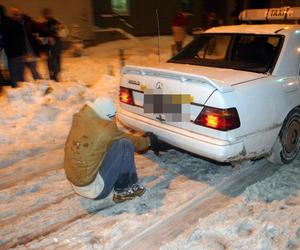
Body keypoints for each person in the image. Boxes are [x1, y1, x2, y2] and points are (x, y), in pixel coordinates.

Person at [64, 97, 159, 203]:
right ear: (107, 115)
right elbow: (129, 140)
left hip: (77, 182)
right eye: (113, 117)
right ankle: (124, 190)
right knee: (124, 145)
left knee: (110, 144)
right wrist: (148, 141)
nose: (114, 120)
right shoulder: (104, 129)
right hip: (94, 189)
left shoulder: (81, 118)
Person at [2, 8, 44, 83]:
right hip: (19, 53)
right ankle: (25, 87)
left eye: (17, 14)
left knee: (33, 69)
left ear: (20, 15)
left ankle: (41, 84)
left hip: (29, 52)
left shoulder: (28, 23)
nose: (16, 16)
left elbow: (39, 29)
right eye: (14, 15)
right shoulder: (11, 25)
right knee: (21, 72)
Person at [42, 8, 62, 82]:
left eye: (48, 13)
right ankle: (54, 78)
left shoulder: (55, 22)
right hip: (50, 48)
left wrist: (54, 37)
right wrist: (47, 40)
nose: (46, 15)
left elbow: (62, 32)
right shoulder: (44, 24)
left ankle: (55, 77)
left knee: (56, 64)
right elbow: (42, 37)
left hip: (55, 47)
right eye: (45, 14)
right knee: (52, 64)